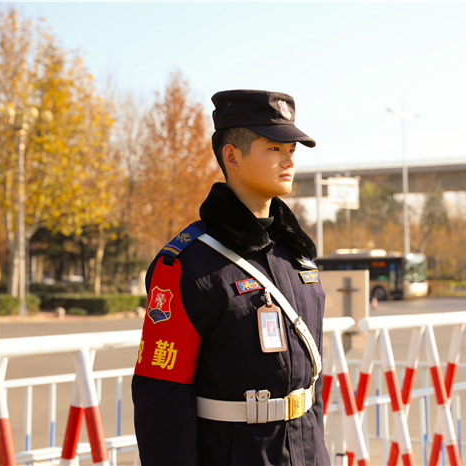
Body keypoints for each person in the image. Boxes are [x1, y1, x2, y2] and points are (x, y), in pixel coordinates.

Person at [132, 89, 330, 465]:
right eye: (273, 147)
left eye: (292, 149)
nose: (289, 157)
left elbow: (312, 385)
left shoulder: (299, 258)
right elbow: (161, 400)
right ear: (232, 156)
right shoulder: (190, 264)